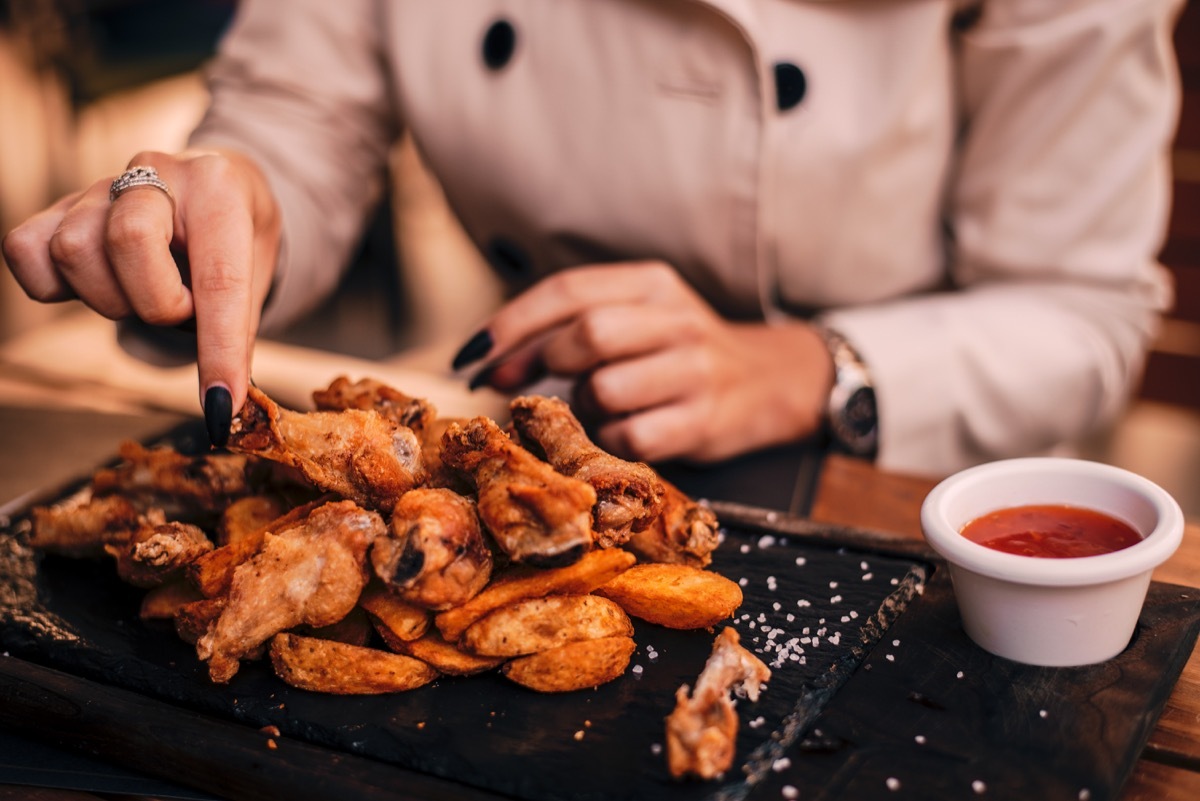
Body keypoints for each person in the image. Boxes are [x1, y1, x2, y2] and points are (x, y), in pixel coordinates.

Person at [1, 0, 1185, 477]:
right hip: (546, 438)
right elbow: (298, 116)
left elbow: (1082, 312)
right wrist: (226, 199)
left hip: (911, 486)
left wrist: (808, 366)